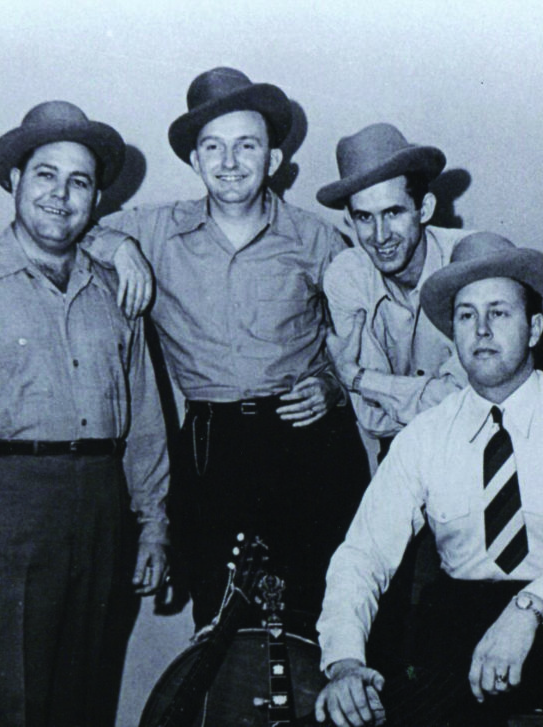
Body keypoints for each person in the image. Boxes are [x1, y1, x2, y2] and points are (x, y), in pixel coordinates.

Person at [314, 232, 543, 727]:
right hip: (459, 628)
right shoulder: (425, 435)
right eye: (467, 315)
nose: (482, 330)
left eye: (499, 312)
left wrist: (528, 609)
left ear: (534, 328)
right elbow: (363, 553)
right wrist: (343, 661)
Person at [83, 67, 369, 634]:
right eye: (212, 147)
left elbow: (363, 341)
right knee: (220, 622)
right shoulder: (155, 231)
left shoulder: (318, 239)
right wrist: (120, 248)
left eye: (247, 146)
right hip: (214, 451)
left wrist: (334, 386)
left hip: (310, 444)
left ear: (275, 159)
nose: (230, 162)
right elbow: (76, 229)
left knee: (323, 618)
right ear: (194, 161)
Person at [0, 101, 169, 726]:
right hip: (11, 502)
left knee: (87, 687)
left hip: (103, 503)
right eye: (45, 174)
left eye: (79, 181)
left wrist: (153, 523)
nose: (60, 194)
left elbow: (145, 418)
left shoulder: (116, 287)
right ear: (15, 180)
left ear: (97, 200)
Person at [318, 122, 470, 469]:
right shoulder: (347, 275)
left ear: (425, 208)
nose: (380, 235)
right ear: (348, 221)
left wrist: (357, 379)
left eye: (393, 212)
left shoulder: (468, 259)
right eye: (364, 218)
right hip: (401, 457)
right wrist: (427, 393)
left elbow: (468, 404)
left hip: (479, 453)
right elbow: (374, 421)